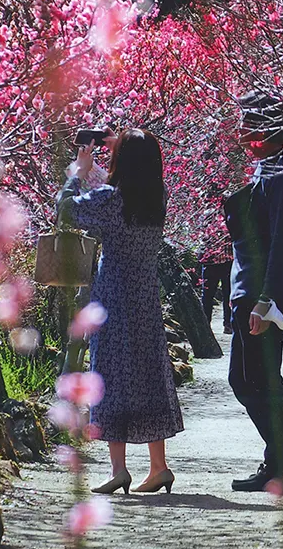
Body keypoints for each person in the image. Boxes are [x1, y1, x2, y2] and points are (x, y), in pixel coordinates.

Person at [57, 129, 184, 495]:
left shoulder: (112, 199)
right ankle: (159, 466)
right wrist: (116, 148)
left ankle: (119, 470)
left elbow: (68, 210)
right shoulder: (156, 196)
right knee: (147, 375)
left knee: (110, 374)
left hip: (113, 296)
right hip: (145, 296)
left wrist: (78, 172)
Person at [224, 91, 283, 493]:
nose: (241, 131)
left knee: (259, 380)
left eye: (248, 124)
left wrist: (266, 299)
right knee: (247, 380)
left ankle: (282, 466)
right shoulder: (269, 169)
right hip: (248, 292)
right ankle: (280, 463)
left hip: (262, 296)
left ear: (267, 129)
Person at [199, 233, 234, 334]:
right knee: (207, 295)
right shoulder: (206, 218)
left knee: (229, 294)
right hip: (210, 262)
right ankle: (206, 325)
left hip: (228, 260)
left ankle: (228, 324)